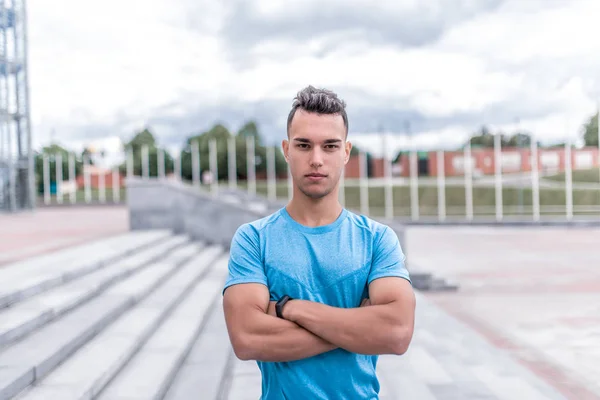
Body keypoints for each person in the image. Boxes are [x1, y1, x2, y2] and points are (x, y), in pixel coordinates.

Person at [222, 85, 415, 400]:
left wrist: (291, 309)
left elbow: (396, 333)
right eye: (303, 145)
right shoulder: (254, 239)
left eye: (329, 146)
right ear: (287, 150)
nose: (316, 159)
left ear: (346, 152)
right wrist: (357, 324)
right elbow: (247, 338)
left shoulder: (377, 239)